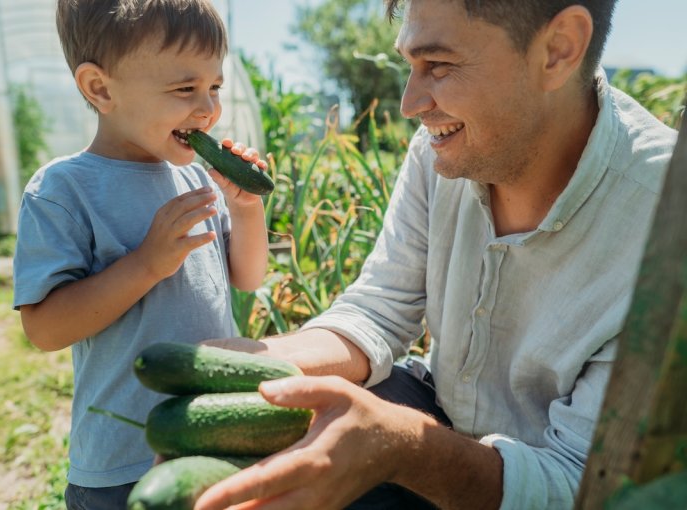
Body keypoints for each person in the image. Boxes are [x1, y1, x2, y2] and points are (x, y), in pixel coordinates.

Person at [191, 0, 678, 509]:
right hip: (440, 419)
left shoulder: (668, 228)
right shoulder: (446, 147)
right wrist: (266, 364)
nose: (409, 103)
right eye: (410, 65)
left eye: (439, 66)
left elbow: (581, 486)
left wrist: (401, 447)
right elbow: (380, 308)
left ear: (558, 50)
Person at [11, 1, 269, 508]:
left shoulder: (197, 177)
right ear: (100, 89)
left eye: (214, 87)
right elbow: (44, 330)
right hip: (120, 460)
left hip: (212, 439)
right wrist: (146, 264)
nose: (208, 109)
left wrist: (246, 212)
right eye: (184, 89)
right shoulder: (64, 189)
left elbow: (246, 277)